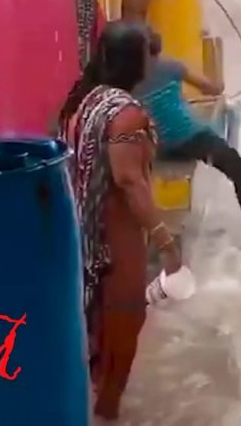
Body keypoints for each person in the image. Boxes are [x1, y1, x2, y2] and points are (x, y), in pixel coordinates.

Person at [57, 21, 183, 421]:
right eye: (149, 53)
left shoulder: (87, 100)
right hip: (116, 233)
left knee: (97, 326)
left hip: (84, 228)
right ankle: (108, 412)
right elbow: (129, 179)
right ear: (137, 61)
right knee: (125, 321)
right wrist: (165, 241)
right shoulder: (126, 115)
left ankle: (90, 407)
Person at [134, 32, 241, 240]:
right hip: (189, 138)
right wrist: (218, 83)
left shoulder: (126, 78)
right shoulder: (172, 66)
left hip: (155, 147)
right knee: (238, 168)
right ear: (157, 50)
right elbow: (211, 89)